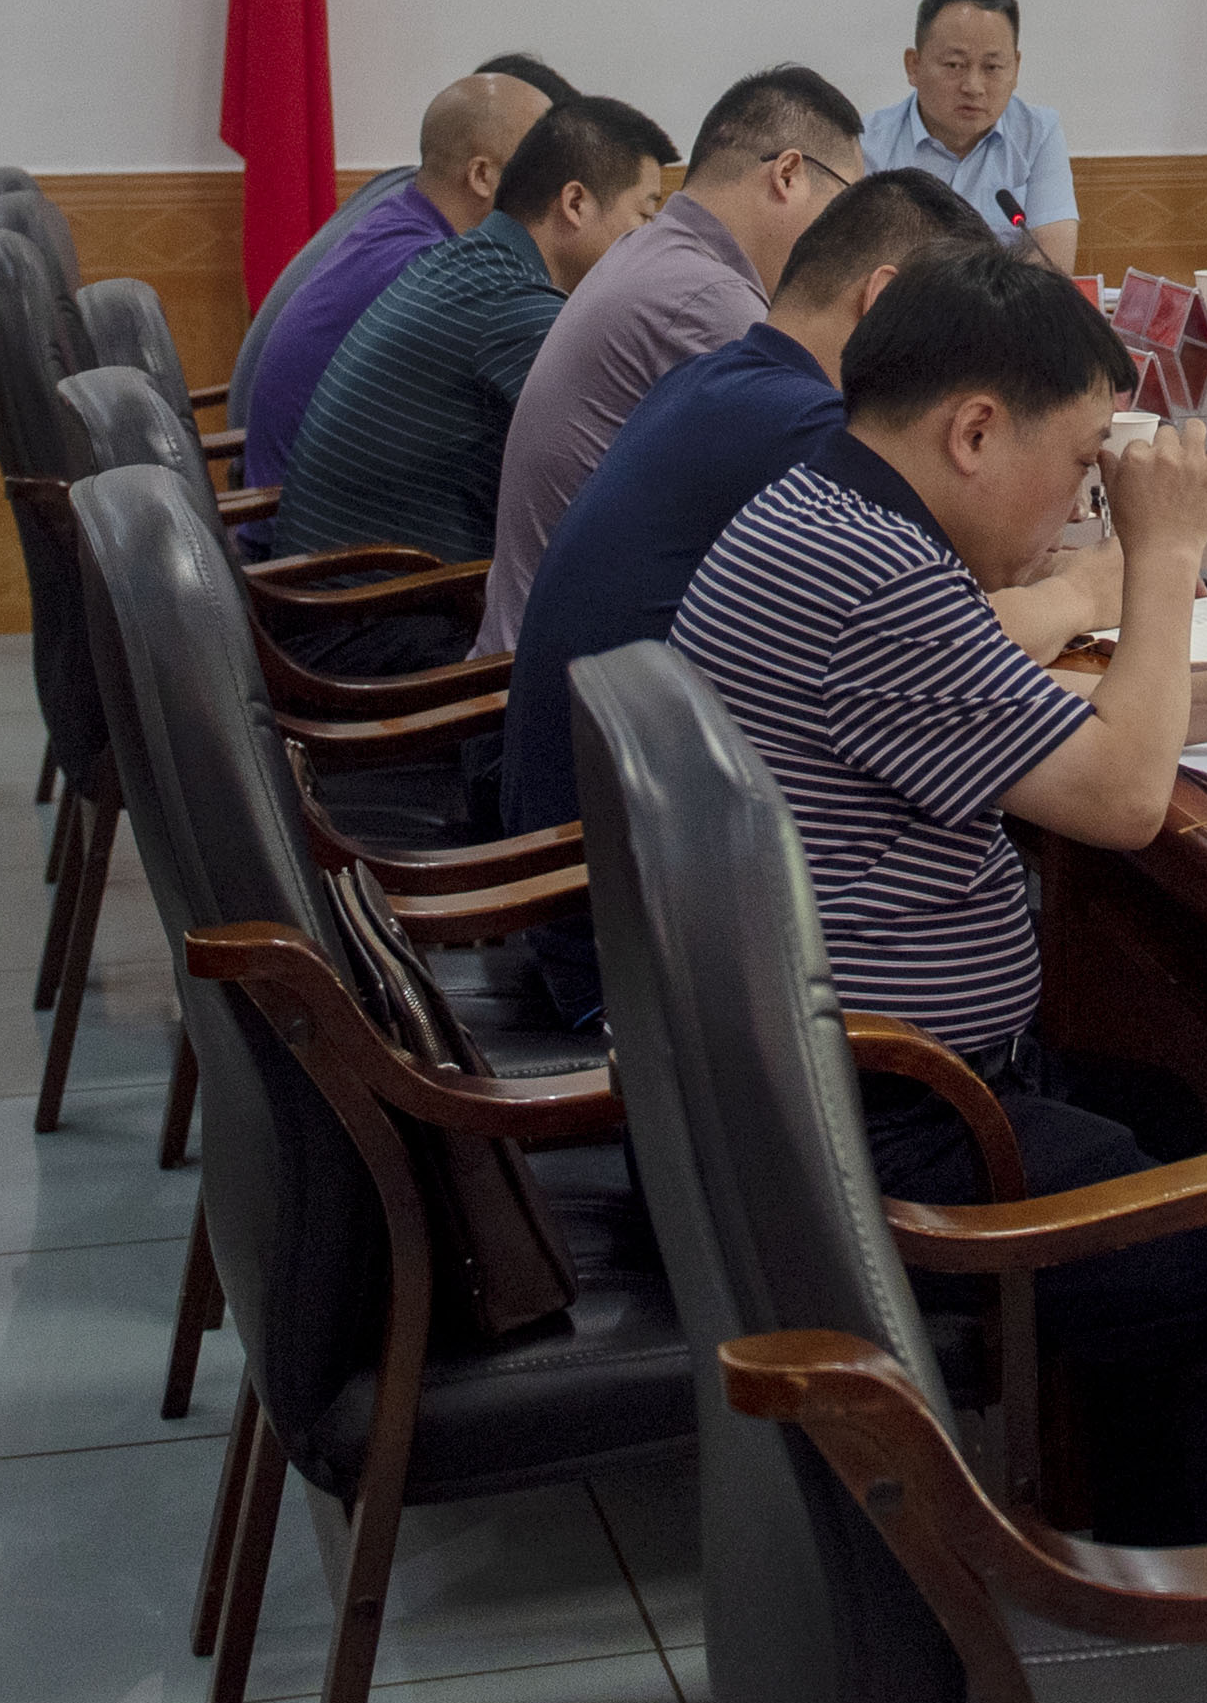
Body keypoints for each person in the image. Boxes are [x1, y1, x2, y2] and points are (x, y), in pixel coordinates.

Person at [665, 251, 1207, 1545]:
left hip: (831, 1085)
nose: (1080, 507)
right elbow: (1122, 800)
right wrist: (1163, 556)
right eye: (1083, 464)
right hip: (888, 1131)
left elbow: (1015, 719)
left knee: (1169, 1111)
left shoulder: (823, 507)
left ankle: (1146, 1542)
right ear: (976, 431)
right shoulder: (877, 575)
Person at [490, 171, 1018, 1008]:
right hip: (633, 946)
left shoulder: (716, 378)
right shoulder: (809, 428)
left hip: (588, 874)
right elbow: (948, 629)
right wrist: (1093, 587)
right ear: (884, 302)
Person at [481, 65, 870, 640]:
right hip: (582, 675)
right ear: (788, 174)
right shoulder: (705, 296)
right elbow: (846, 510)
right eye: (845, 204)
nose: (847, 235)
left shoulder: (653, 249)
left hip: (560, 649)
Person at [271, 95, 681, 612]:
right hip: (375, 627)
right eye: (646, 214)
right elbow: (643, 463)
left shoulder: (465, 262)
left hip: (343, 601)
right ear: (575, 204)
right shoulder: (511, 307)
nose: (651, 241)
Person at [235, 65, 560, 491]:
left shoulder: (397, 217)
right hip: (305, 521)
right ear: (482, 176)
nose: (557, 189)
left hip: (299, 495)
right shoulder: (432, 269)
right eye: (544, 170)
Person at [863, 0, 1078, 271]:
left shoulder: (1038, 134)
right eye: (954, 65)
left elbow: (1053, 265)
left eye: (992, 67)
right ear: (914, 66)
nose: (973, 87)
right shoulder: (866, 145)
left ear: (1015, 69)